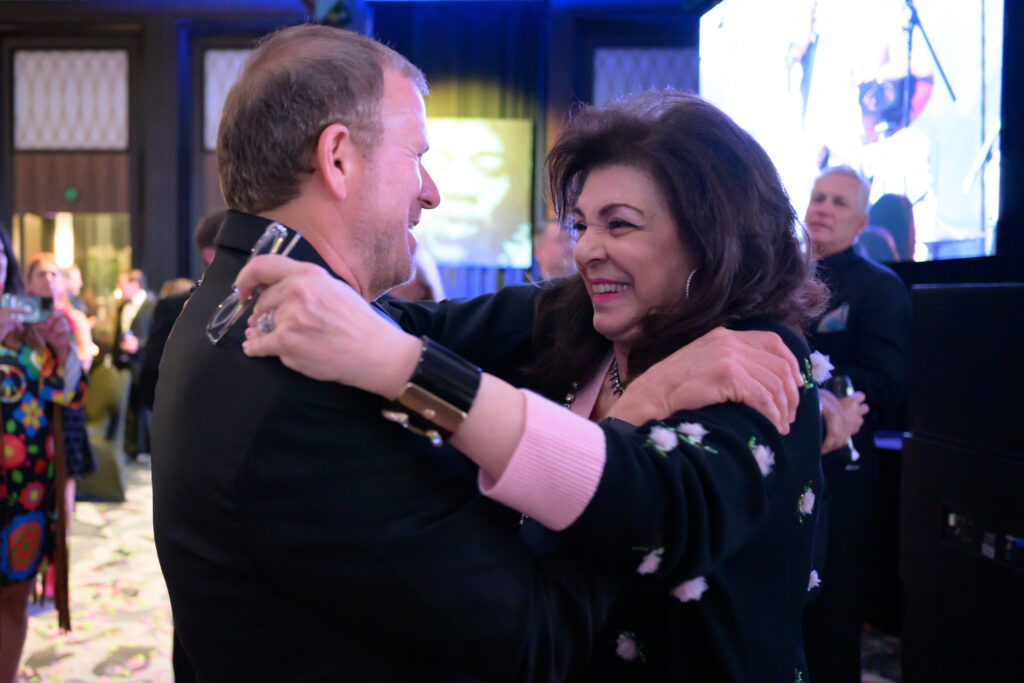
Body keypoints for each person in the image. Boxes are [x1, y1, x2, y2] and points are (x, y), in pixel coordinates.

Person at [153, 25, 805, 682]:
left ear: (708, 235)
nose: (431, 190)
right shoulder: (295, 362)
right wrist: (635, 411)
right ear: (339, 158)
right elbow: (532, 634)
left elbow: (446, 325)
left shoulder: (239, 300)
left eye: (619, 223)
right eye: (417, 155)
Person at [801, 165, 911, 683]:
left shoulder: (879, 288)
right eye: (818, 197)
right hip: (782, 474)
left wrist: (811, 384)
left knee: (830, 628)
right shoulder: (781, 281)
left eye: (839, 202)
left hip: (842, 485)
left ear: (862, 220)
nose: (823, 208)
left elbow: (888, 386)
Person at [0, 229, 84, 682]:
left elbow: (70, 394)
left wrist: (63, 349)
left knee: (14, 598)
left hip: (25, 493)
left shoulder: (28, 327)